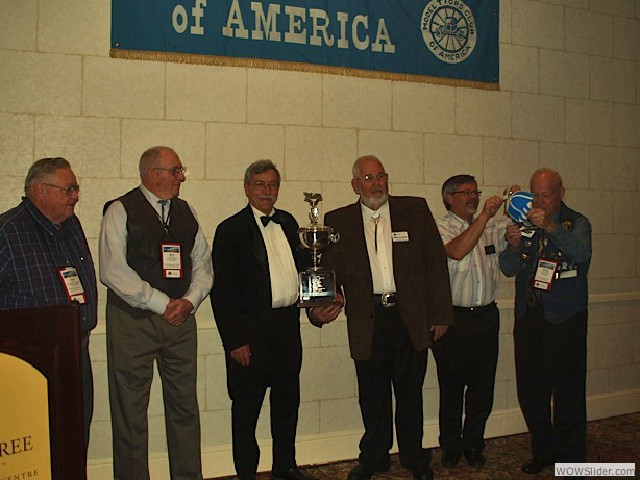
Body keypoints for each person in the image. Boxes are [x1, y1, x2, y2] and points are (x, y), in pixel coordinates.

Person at [310, 155, 454, 480]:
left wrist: (442, 314)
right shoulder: (339, 220)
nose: (376, 183)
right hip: (368, 322)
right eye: (368, 178)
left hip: (410, 320)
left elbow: (435, 264)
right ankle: (374, 458)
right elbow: (328, 270)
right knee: (372, 396)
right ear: (355, 185)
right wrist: (320, 309)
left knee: (410, 394)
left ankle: (414, 458)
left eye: (380, 176)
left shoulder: (414, 210)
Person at [99, 146, 213, 480]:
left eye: (180, 170)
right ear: (153, 174)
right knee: (130, 414)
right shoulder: (120, 210)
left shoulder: (186, 210)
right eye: (175, 170)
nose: (182, 177)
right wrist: (162, 303)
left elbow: (203, 263)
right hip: (133, 323)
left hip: (181, 321)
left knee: (185, 409)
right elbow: (112, 270)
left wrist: (190, 300)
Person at [211, 160, 317, 480]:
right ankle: (246, 474)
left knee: (287, 406)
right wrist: (235, 341)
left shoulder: (289, 222)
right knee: (246, 412)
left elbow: (305, 271)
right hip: (250, 335)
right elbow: (223, 292)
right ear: (247, 188)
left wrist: (320, 301)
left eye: (272, 184)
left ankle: (285, 468)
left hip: (287, 329)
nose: (267, 191)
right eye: (260, 184)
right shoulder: (229, 230)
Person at [0, 157, 97, 453]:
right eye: (68, 189)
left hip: (76, 351)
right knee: (36, 442)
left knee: (75, 437)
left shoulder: (71, 225)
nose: (75, 196)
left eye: (75, 188)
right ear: (40, 190)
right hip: (29, 361)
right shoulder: (7, 231)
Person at [499, 168, 591, 475]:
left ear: (561, 192)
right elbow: (508, 268)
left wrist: (550, 226)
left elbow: (580, 253)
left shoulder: (576, 222)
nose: (538, 201)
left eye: (545, 194)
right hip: (530, 318)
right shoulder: (524, 223)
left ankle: (572, 459)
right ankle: (543, 451)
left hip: (565, 319)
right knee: (531, 391)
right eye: (535, 194)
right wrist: (512, 245)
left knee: (568, 391)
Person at [433, 175, 509, 469]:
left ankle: (474, 443)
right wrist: (486, 216)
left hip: (487, 318)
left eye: (475, 191)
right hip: (453, 320)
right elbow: (457, 250)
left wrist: (514, 201)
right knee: (451, 388)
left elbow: (522, 225)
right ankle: (451, 447)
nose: (473, 197)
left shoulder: (491, 226)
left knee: (482, 389)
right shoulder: (440, 227)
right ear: (448, 197)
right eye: (465, 192)